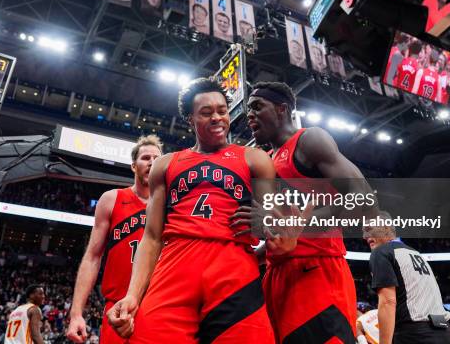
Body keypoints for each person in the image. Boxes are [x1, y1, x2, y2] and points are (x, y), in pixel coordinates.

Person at [106, 78, 293, 343]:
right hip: (176, 264)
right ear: (190, 120)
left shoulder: (255, 159)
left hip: (235, 268)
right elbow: (151, 236)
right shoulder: (165, 164)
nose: (217, 117)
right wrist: (133, 295)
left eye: (222, 111)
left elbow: (276, 229)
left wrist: (270, 226)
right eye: (206, 113)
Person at [246, 81, 372, 343]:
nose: (250, 114)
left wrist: (296, 226)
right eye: (248, 109)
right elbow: (281, 233)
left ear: (282, 109)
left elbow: (363, 198)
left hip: (316, 273)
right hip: (278, 279)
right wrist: (247, 258)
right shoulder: (266, 160)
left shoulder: (309, 140)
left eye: (258, 107)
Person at [67, 136, 163, 344]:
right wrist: (76, 314)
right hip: (117, 308)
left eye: (157, 158)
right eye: (146, 158)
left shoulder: (173, 205)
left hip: (159, 308)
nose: (152, 162)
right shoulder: (112, 199)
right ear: (133, 166)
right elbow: (92, 257)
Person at [363, 212, 450, 344]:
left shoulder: (381, 252)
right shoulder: (415, 253)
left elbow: (388, 301)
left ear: (387, 228)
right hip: (444, 334)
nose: (365, 235)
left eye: (370, 229)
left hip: (414, 335)